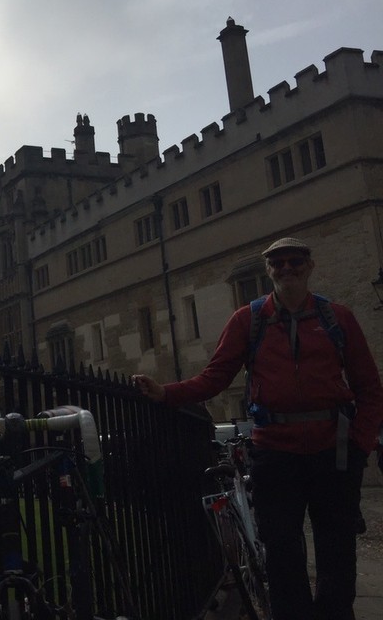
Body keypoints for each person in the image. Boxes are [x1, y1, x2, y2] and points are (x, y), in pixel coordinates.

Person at [133, 237, 383, 620]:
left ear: (309, 266)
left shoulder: (337, 318)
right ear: (269, 270)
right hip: (275, 452)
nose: (287, 269)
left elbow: (368, 387)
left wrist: (361, 446)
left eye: (294, 261)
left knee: (337, 550)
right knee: (281, 550)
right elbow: (214, 378)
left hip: (333, 451)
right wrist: (166, 393)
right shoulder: (248, 320)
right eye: (278, 263)